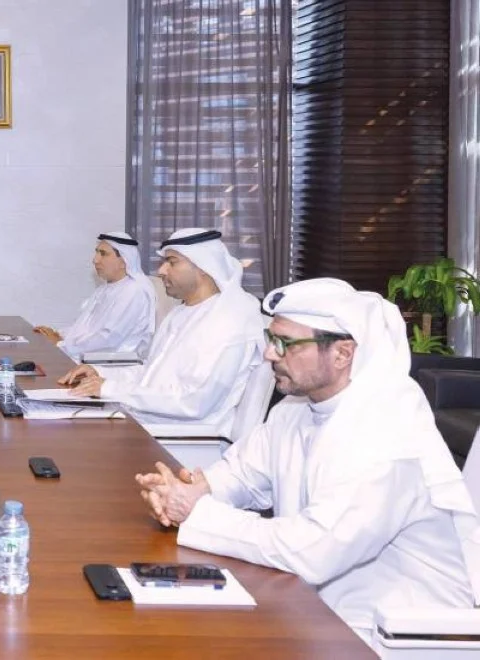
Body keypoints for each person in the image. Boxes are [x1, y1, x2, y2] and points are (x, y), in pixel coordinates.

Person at [135, 278, 480, 650]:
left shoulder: (387, 431)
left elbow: (313, 550)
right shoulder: (296, 409)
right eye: (270, 339)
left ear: (342, 353)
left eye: (285, 343)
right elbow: (241, 474)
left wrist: (196, 512)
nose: (270, 354)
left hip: (393, 638)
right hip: (313, 613)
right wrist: (189, 491)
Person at [58, 228, 264, 437]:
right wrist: (100, 373)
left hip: (183, 439)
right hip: (145, 423)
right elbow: (151, 374)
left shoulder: (228, 320)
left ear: (203, 266)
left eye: (172, 262)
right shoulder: (181, 312)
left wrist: (109, 389)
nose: (161, 271)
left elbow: (193, 402)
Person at [33, 232, 156, 361]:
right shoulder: (105, 289)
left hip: (111, 364)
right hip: (87, 357)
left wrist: (61, 344)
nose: (95, 260)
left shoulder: (134, 291)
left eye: (103, 254)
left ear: (124, 261)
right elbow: (85, 328)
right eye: (97, 253)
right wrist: (57, 334)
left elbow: (108, 340)